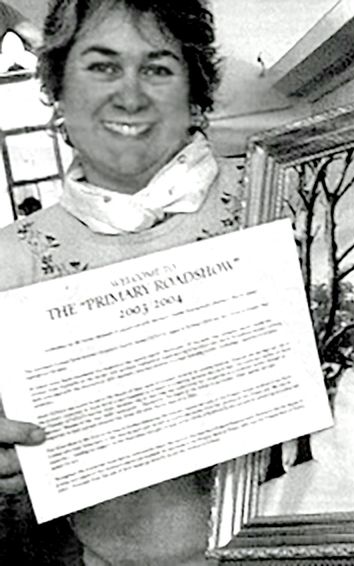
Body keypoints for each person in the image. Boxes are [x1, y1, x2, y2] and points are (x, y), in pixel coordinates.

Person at [0, 0, 241, 564]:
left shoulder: (281, 199)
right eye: (101, 67)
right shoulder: (10, 261)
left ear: (194, 91)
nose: (129, 96)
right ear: (59, 92)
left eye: (157, 67)